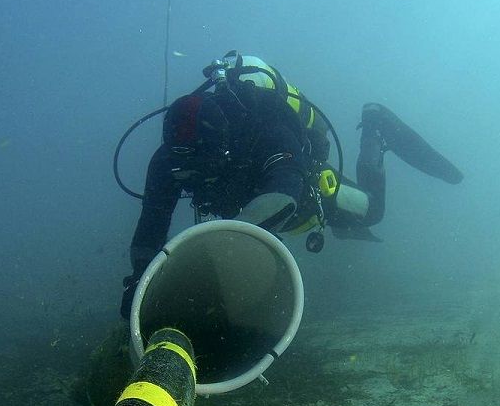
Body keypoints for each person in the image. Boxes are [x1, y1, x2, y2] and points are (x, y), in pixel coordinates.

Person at [120, 51, 463, 318]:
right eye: (185, 165)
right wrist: (141, 281)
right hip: (249, 209)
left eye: (202, 163)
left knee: (371, 211)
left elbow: (284, 192)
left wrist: (216, 247)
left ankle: (374, 127)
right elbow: (151, 221)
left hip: (302, 188)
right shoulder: (169, 160)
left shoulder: (266, 129)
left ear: (223, 143)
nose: (192, 174)